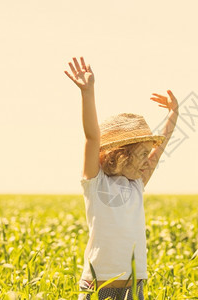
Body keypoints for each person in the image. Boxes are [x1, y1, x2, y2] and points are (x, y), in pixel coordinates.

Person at [64, 56, 179, 300]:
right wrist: (88, 92)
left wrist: (174, 114)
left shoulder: (136, 184)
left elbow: (162, 150)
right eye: (143, 154)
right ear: (123, 156)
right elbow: (92, 138)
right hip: (99, 287)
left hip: (133, 286)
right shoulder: (96, 183)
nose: (149, 160)